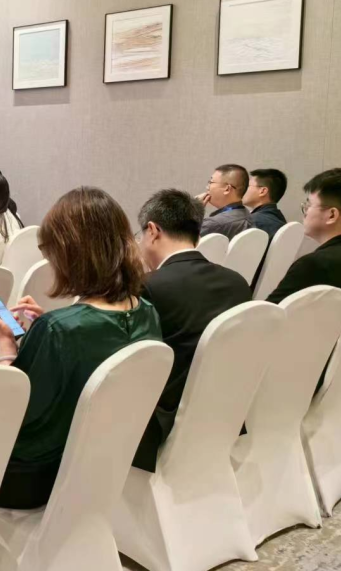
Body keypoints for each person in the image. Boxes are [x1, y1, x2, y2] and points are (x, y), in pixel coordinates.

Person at [0, 187, 162, 509]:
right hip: (99, 466)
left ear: (69, 254)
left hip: (33, 479)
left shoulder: (58, 330)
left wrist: (6, 346)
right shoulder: (147, 312)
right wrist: (46, 327)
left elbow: (13, 413)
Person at [131, 190, 251, 471]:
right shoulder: (236, 282)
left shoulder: (148, 286)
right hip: (226, 412)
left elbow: (132, 363)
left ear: (152, 231)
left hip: (163, 425)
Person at [267, 168, 341, 304]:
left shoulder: (315, 265)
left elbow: (266, 314)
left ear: (332, 215)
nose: (305, 212)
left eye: (308, 205)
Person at [197, 163, 255, 239]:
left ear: (227, 189)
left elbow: (183, 240)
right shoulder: (248, 215)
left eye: (211, 182)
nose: (207, 187)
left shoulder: (214, 224)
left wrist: (193, 211)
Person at [243, 168, 289, 239]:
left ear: (263, 191)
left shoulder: (254, 222)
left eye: (247, 186)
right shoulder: (278, 218)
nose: (243, 190)